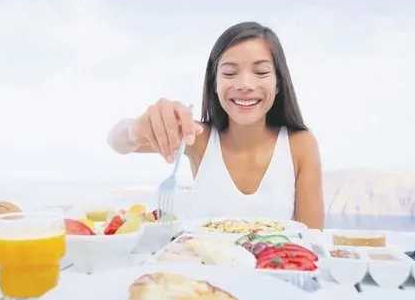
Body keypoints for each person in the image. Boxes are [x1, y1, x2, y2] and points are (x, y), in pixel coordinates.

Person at [107, 22, 324, 229]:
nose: (245, 85)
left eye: (261, 72)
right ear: (214, 84)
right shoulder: (197, 137)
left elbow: (312, 239)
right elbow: (116, 141)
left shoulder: (300, 144)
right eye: (230, 73)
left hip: (274, 267)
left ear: (278, 83)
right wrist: (135, 129)